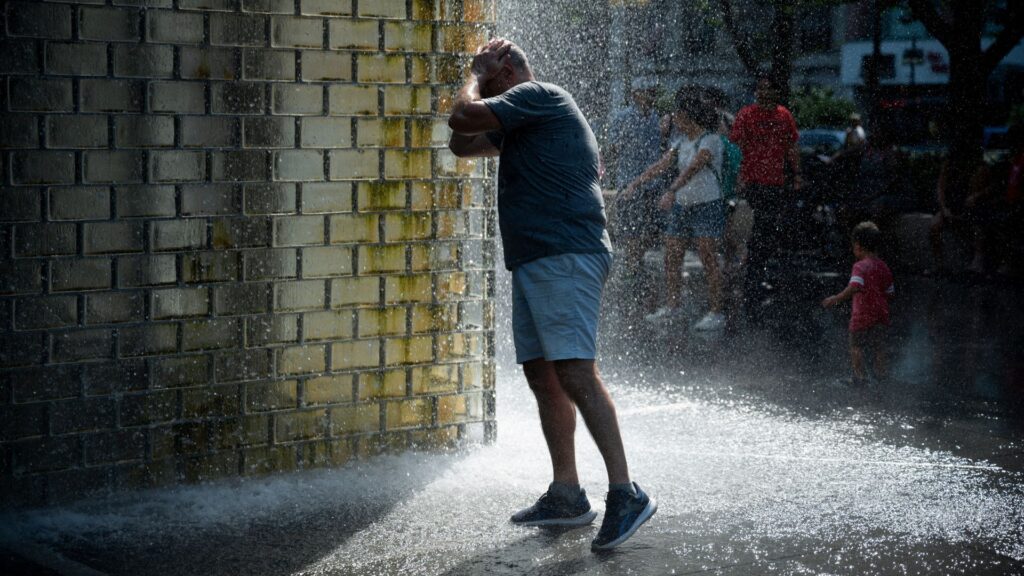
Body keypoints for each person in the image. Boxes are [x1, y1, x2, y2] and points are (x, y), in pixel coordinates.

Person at [446, 38, 656, 551]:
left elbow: (462, 117)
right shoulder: (523, 124)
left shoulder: (542, 97)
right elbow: (462, 144)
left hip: (566, 254)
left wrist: (475, 74)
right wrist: (480, 92)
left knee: (576, 370)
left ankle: (626, 493)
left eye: (494, 83)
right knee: (543, 373)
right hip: (538, 259)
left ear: (510, 70)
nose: (490, 96)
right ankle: (567, 494)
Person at [624, 92, 727, 331]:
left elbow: (693, 169)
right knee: (672, 255)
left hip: (707, 205)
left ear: (686, 116)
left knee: (708, 257)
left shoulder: (711, 140)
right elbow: (661, 165)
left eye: (676, 115)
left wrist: (671, 190)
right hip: (683, 206)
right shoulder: (681, 143)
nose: (672, 120)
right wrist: (635, 183)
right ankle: (673, 306)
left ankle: (716, 312)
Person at [729, 75, 802, 321]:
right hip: (753, 181)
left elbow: (791, 147)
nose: (763, 94)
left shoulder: (784, 116)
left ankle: (756, 267)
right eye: (760, 89)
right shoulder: (747, 115)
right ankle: (755, 270)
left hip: (776, 181)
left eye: (768, 89)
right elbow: (735, 145)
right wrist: (738, 175)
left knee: (767, 226)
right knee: (762, 224)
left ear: (775, 93)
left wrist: (798, 174)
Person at [606, 81, 670, 284]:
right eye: (647, 92)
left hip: (652, 184)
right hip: (629, 181)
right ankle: (632, 268)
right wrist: (623, 141)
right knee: (632, 228)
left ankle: (635, 264)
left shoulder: (655, 118)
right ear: (635, 94)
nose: (651, 97)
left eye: (653, 92)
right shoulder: (623, 117)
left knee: (648, 230)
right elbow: (612, 149)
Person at [822, 222, 895, 384]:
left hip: (862, 315)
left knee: (856, 345)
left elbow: (855, 286)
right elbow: (890, 292)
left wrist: (836, 298)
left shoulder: (859, 267)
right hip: (881, 315)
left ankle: (859, 376)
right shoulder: (884, 267)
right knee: (879, 346)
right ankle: (881, 374)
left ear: (858, 246)